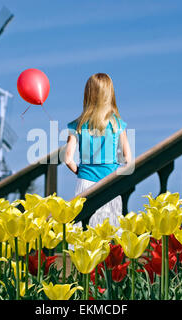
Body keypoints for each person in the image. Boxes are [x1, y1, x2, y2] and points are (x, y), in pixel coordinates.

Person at [65, 73, 132, 228]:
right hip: (110, 182)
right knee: (110, 230)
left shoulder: (77, 125)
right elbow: (128, 159)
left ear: (88, 94)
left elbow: (68, 159)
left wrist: (80, 171)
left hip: (85, 182)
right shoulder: (118, 124)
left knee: (85, 230)